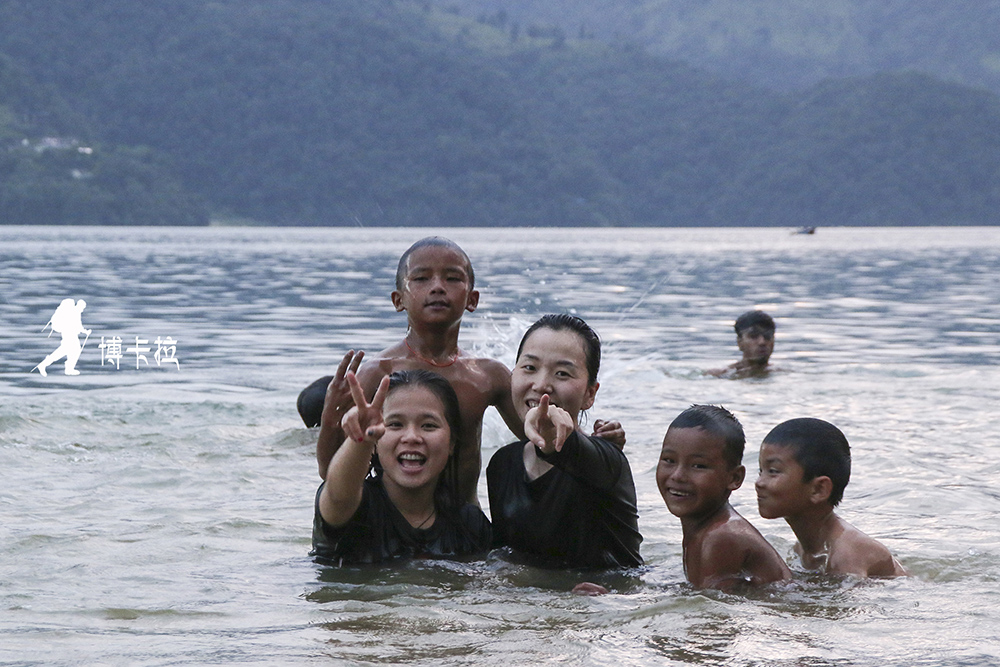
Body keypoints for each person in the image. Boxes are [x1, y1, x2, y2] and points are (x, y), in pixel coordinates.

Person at [301, 237, 625, 504]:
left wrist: (597, 443)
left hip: (463, 529)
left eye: (452, 278)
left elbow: (545, 439)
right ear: (398, 299)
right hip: (393, 522)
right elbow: (328, 474)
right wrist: (331, 417)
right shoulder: (378, 375)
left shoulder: (488, 376)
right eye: (422, 278)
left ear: (472, 299)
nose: (438, 287)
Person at [486, 314, 643, 571]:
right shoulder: (502, 465)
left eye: (562, 373)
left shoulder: (608, 462)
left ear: (589, 394)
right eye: (529, 368)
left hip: (605, 603)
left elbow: (575, 453)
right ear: (512, 376)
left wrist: (551, 439)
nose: (542, 385)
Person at [311, 369, 491, 565]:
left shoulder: (470, 524)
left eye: (428, 425)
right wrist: (362, 439)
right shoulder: (357, 507)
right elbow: (337, 495)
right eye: (395, 424)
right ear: (376, 442)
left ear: (452, 443)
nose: (412, 437)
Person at [657, 405, 791, 590]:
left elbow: (708, 611)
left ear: (734, 478)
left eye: (698, 466)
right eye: (669, 460)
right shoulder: (705, 529)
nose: (678, 475)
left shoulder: (721, 537)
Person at [755, 418, 907, 578]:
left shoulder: (846, 556)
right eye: (760, 471)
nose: (759, 482)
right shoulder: (801, 549)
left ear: (819, 489)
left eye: (773, 471)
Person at [707, 310, 775, 378]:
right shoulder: (718, 375)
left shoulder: (781, 374)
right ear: (740, 342)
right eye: (754, 336)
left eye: (767, 336)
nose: (762, 342)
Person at [35, 298, 91, 377]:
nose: (82, 310)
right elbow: (77, 326)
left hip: (70, 335)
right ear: (80, 305)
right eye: (83, 308)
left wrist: (85, 331)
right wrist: (85, 331)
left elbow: (78, 326)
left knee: (71, 351)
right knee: (66, 351)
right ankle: (46, 365)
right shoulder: (74, 312)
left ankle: (68, 368)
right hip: (69, 335)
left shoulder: (75, 312)